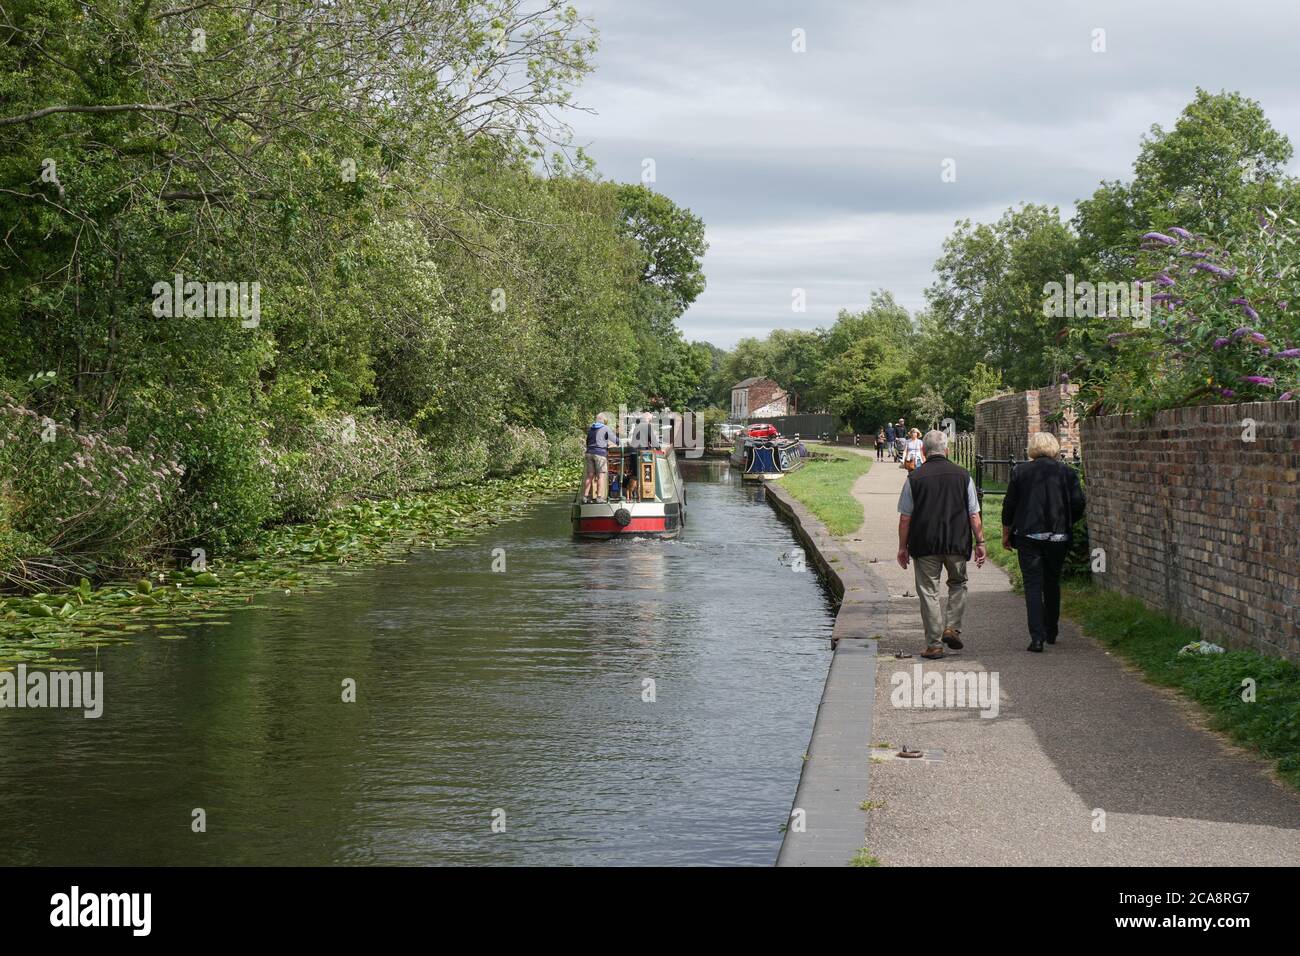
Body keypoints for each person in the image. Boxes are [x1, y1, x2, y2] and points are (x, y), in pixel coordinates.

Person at [897, 429, 986, 659]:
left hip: (924, 543)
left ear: (924, 452)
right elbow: (973, 514)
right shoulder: (963, 475)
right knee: (958, 583)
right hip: (957, 542)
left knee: (928, 592)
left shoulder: (914, 479)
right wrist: (980, 542)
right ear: (947, 450)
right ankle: (952, 627)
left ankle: (934, 644)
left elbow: (905, 518)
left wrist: (902, 547)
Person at [1001, 431, 1086, 652]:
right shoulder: (1067, 472)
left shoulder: (1020, 471)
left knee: (1032, 584)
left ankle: (1036, 638)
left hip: (1028, 535)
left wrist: (1006, 532)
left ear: (1032, 449)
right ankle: (1052, 630)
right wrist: (1066, 522)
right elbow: (1078, 504)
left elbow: (1009, 505)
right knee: (1052, 581)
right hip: (1058, 535)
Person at [583, 413, 618, 502]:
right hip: (600, 454)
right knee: (600, 476)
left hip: (589, 453)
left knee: (589, 476)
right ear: (604, 421)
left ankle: (585, 497)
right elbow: (615, 440)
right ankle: (599, 497)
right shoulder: (605, 428)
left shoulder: (591, 429)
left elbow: (588, 442)